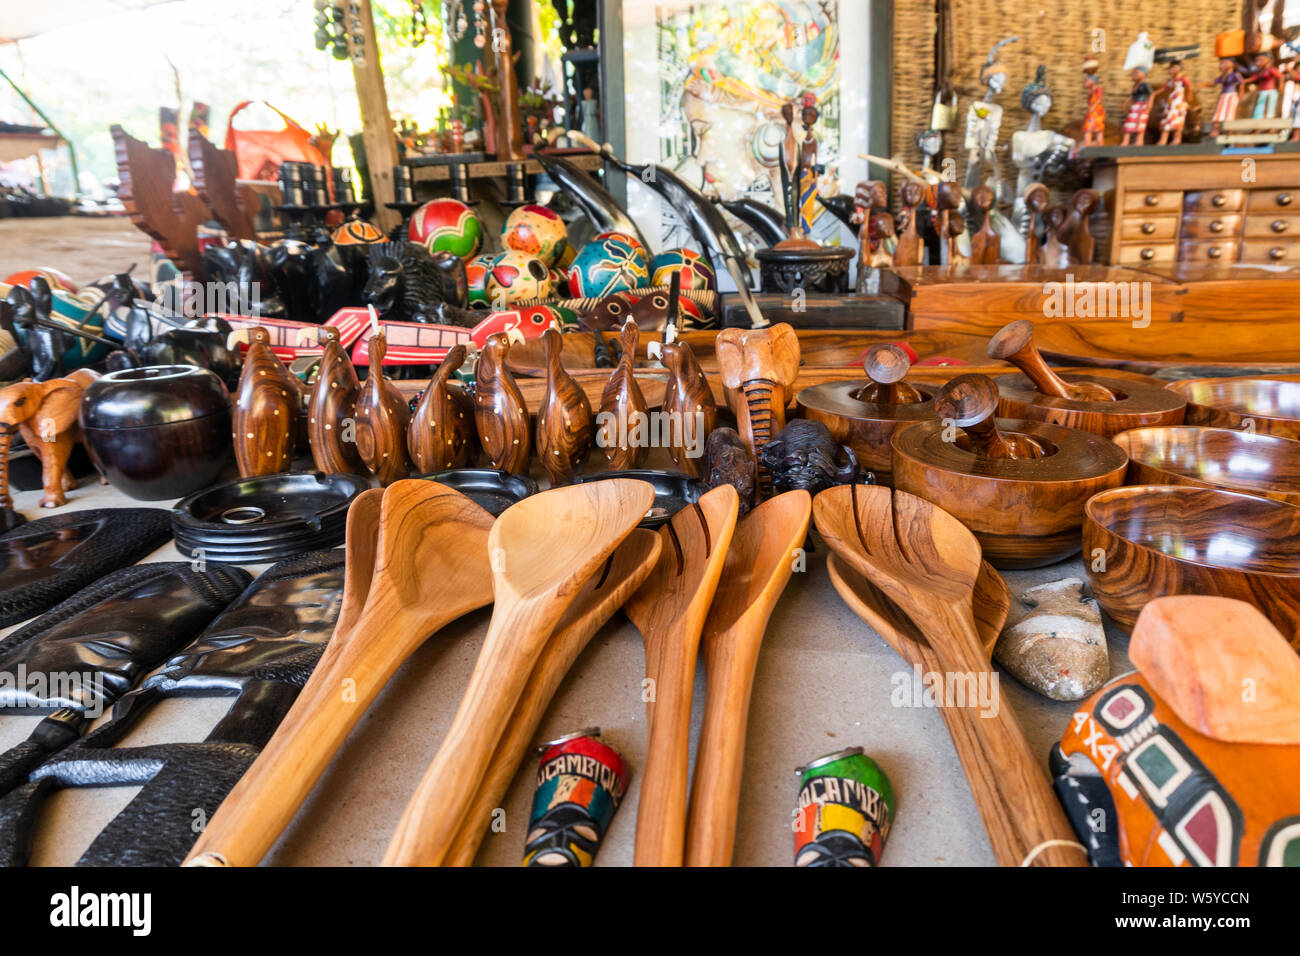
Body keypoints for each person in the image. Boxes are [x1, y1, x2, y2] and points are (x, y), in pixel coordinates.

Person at [1203, 57, 1244, 136]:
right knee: (1219, 112)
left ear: (1231, 64)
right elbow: (1214, 82)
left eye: (1224, 63)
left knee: (1229, 112)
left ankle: (1228, 131)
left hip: (1231, 96)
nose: (1221, 65)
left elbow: (1241, 82)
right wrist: (1204, 84)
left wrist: (1241, 92)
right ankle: (1215, 130)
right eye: (1221, 63)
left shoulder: (1235, 74)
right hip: (1223, 96)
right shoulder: (1222, 76)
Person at [1157, 60, 1191, 145]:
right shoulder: (1171, 80)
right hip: (1171, 103)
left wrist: (1188, 98)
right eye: (1171, 67)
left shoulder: (1183, 79)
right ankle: (1163, 140)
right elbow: (1164, 88)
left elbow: (1189, 87)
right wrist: (1153, 94)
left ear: (1180, 68)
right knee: (1167, 120)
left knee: (1178, 121)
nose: (1172, 69)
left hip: (1179, 102)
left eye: (1175, 67)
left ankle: (1177, 139)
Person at [1120, 66, 1153, 146]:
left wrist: (1149, 104)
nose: (1134, 74)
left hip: (1142, 105)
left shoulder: (1145, 85)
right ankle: (1125, 141)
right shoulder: (1135, 86)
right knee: (1129, 122)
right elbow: (1132, 95)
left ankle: (1139, 141)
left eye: (1137, 72)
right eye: (1134, 72)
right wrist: (1126, 103)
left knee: (1140, 123)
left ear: (1143, 74)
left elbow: (1151, 94)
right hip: (1135, 106)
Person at [1247, 53, 1283, 119]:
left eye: (1260, 60)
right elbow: (1254, 78)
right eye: (1257, 60)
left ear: (1268, 60)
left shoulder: (1271, 69)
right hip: (1262, 92)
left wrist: (1281, 86)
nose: (1258, 62)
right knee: (1260, 107)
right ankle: (1258, 121)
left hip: (1270, 91)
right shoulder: (1261, 71)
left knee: (1270, 107)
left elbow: (1280, 76)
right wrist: (1244, 81)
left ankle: (1270, 123)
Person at [1082, 58, 1106, 147]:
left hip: (1096, 112)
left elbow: (1099, 98)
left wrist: (1092, 107)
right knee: (1089, 128)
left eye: (1086, 80)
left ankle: (1097, 144)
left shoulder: (1098, 88)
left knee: (1095, 129)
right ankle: (1088, 143)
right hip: (1092, 112)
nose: (1084, 82)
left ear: (1092, 81)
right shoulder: (1091, 92)